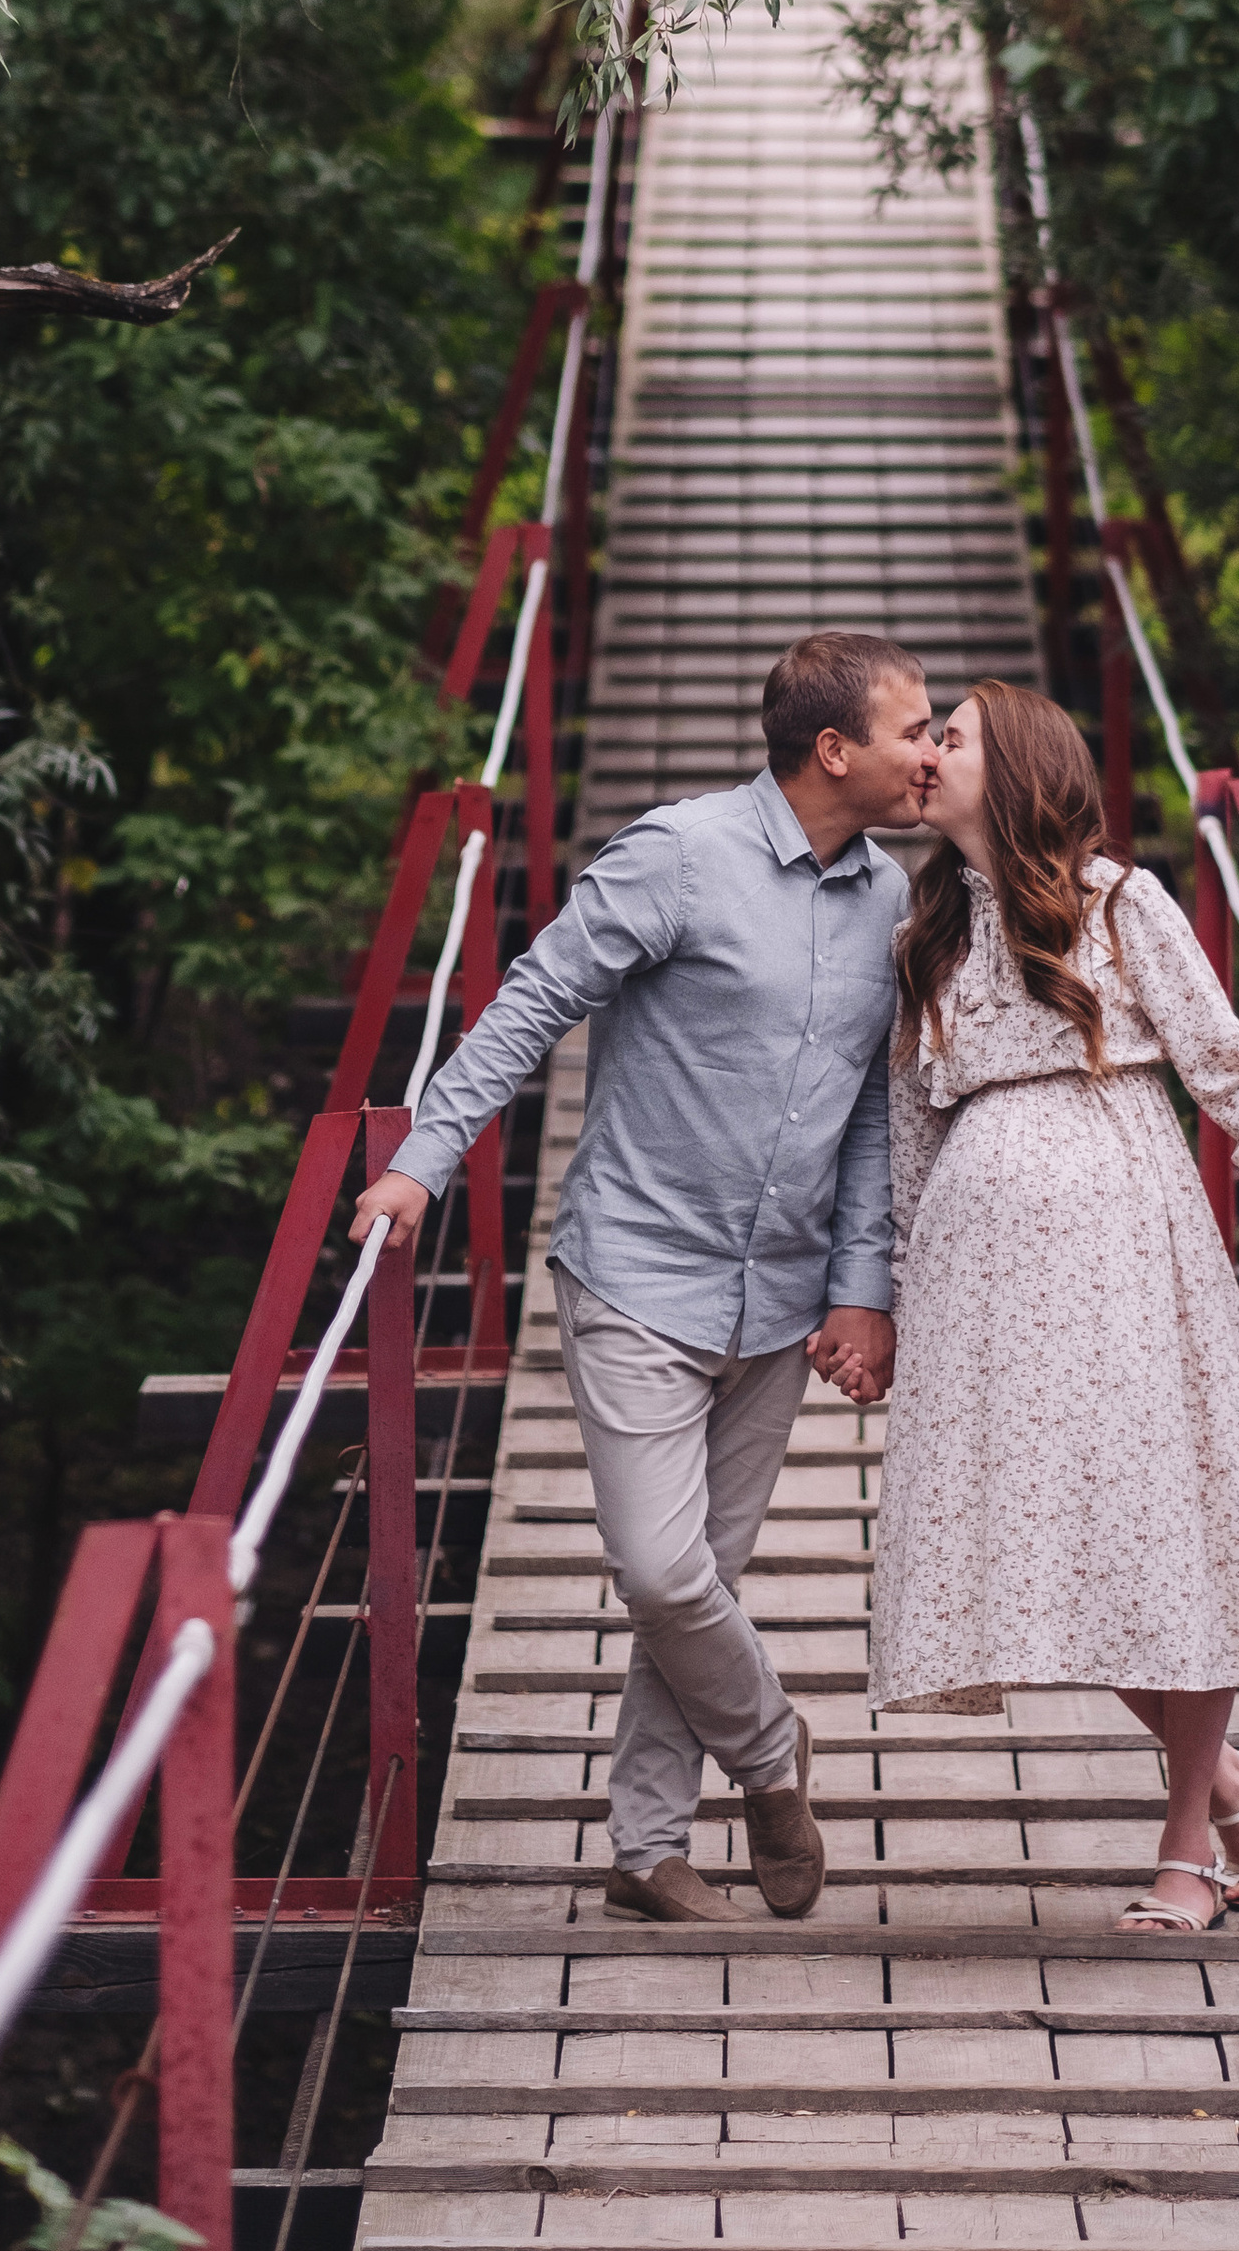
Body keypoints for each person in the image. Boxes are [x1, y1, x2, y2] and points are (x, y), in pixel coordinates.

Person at [352, 629, 931, 1925]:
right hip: (637, 1277)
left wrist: (860, 1286)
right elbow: (528, 1005)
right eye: (915, 729)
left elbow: (872, 1119)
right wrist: (423, 1164)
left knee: (702, 1584)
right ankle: (776, 1762)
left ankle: (646, 1853)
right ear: (834, 749)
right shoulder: (681, 856)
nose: (932, 753)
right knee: (665, 1576)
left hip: (781, 1300)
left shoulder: (892, 897)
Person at [859, 679, 1239, 1935]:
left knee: (1156, 1539)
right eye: (924, 735)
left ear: (1022, 765)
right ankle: (1235, 1785)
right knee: (1046, 1557)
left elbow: (1221, 1061)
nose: (927, 753)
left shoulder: (1120, 902)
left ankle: (1186, 1854)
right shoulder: (923, 936)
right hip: (981, 1280)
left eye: (952, 736)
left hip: (1124, 1250)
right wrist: (891, 1299)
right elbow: (907, 1137)